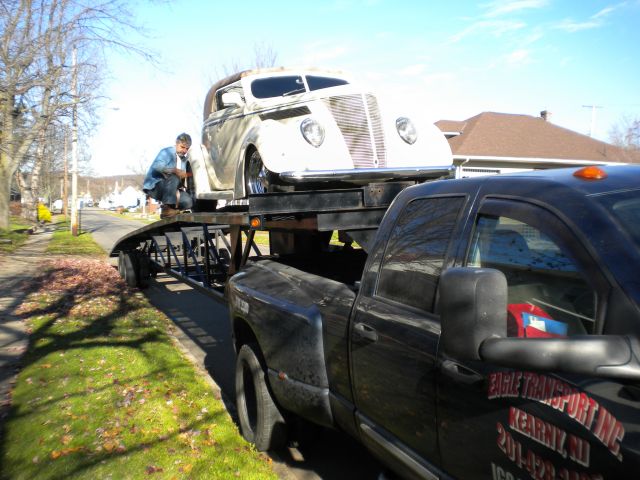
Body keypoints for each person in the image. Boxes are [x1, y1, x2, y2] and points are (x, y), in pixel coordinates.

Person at [143, 133, 194, 219]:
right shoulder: (167, 152)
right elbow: (157, 166)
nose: (184, 151)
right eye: (182, 147)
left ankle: (173, 209)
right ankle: (167, 209)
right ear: (176, 144)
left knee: (188, 202)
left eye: (187, 149)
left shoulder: (184, 160)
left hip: (172, 190)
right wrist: (174, 170)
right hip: (156, 187)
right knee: (174, 176)